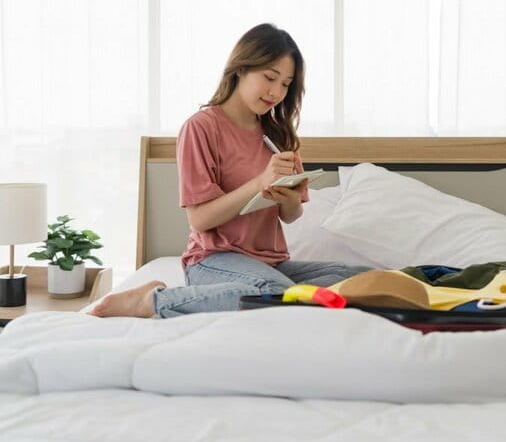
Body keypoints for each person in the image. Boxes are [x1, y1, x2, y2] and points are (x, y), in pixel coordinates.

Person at [92, 23, 371, 319]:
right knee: (277, 295)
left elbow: (291, 215)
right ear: (241, 68)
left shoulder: (279, 135)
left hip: (269, 264)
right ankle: (153, 301)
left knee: (363, 280)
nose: (276, 92)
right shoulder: (201, 128)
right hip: (213, 259)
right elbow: (199, 219)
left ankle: (277, 291)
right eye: (270, 77)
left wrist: (287, 196)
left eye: (286, 84)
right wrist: (259, 182)